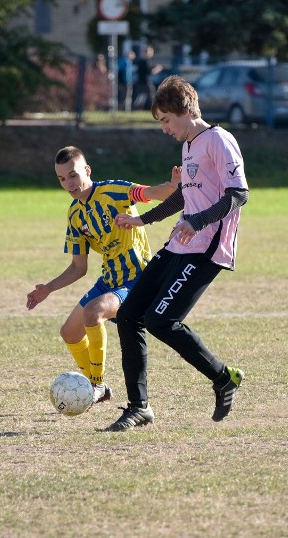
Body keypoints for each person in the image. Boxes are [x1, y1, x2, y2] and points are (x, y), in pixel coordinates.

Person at [106, 75, 249, 431]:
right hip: (179, 244)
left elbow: (238, 194)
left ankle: (222, 377)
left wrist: (198, 222)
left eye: (166, 120)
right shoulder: (187, 147)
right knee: (129, 315)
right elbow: (185, 195)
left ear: (185, 111)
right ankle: (139, 407)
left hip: (206, 248)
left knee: (161, 320)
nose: (164, 129)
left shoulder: (219, 140)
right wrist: (143, 220)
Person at [26, 146, 179, 406]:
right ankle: (101, 389)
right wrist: (48, 289)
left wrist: (175, 186)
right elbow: (78, 267)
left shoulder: (115, 191)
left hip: (137, 279)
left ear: (87, 170)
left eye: (72, 175)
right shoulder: (75, 214)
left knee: (93, 312)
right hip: (109, 280)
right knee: (69, 333)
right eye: (61, 179)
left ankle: (95, 385)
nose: (68, 184)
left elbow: (152, 193)